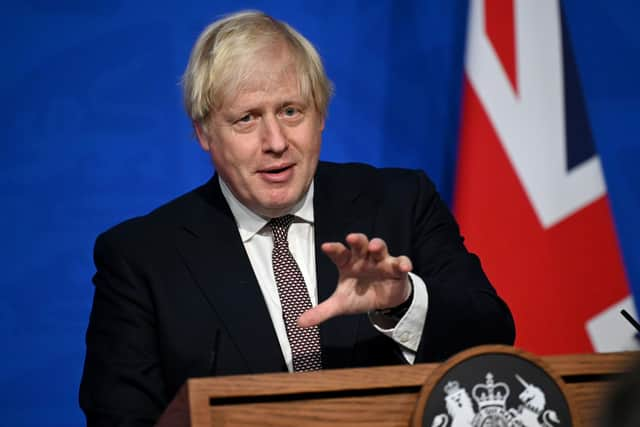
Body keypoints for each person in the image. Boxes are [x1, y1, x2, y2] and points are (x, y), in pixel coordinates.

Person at [79, 10, 515, 426]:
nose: (276, 142)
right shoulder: (143, 259)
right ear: (204, 133)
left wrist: (403, 301)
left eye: (291, 111)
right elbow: (119, 418)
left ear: (320, 114)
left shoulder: (401, 202)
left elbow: (493, 340)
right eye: (247, 119)